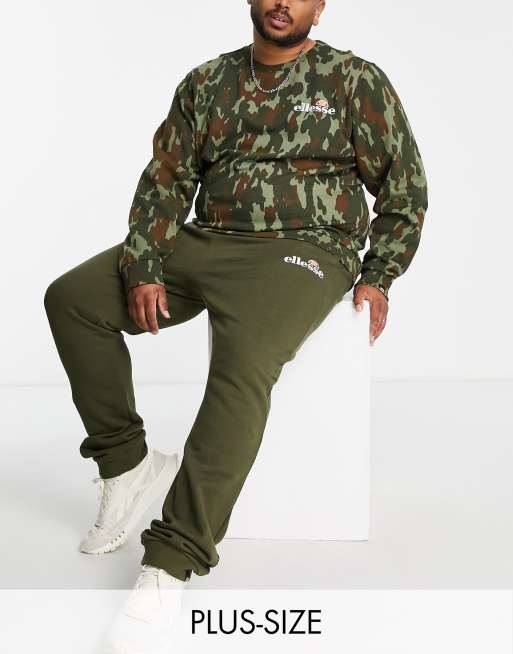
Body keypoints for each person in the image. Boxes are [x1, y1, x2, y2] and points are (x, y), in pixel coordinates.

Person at [44, 0, 428, 650]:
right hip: (209, 238)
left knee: (242, 360)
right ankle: (127, 466)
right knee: (73, 299)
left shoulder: (354, 80)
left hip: (307, 247)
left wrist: (378, 274)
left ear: (319, 7)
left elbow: (404, 187)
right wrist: (144, 262)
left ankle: (171, 559)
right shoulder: (207, 82)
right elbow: (166, 179)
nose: (282, 3)